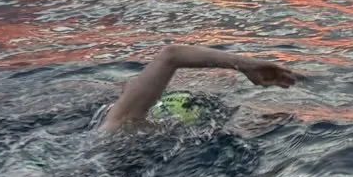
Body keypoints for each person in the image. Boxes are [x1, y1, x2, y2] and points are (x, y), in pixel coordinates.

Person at [99, 43, 298, 132]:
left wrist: (245, 65)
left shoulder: (116, 125)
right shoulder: (125, 127)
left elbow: (171, 56)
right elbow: (172, 55)